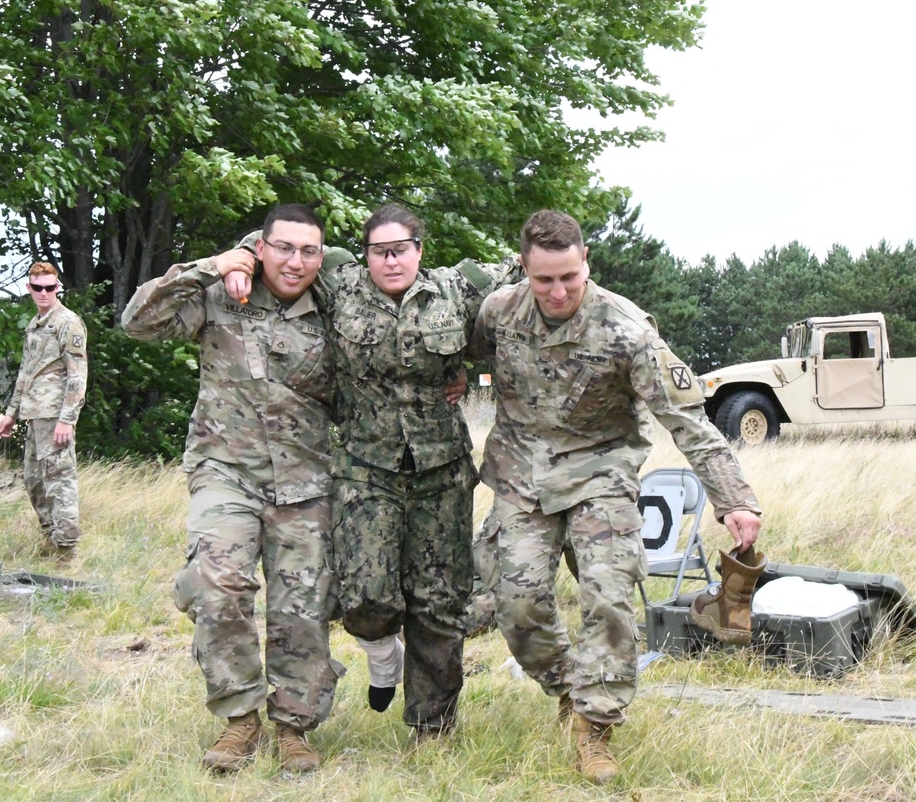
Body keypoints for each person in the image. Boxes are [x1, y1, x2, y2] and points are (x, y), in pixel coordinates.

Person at [467, 209, 763, 783]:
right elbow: (463, 356)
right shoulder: (498, 311)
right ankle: (570, 689)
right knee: (517, 604)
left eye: (569, 278)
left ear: (586, 264)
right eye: (543, 280)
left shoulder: (628, 330)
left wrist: (734, 500)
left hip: (600, 474)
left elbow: (689, 422)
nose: (557, 292)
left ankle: (596, 728)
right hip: (521, 476)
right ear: (523, 270)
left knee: (608, 599)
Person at [226, 202, 519, 736]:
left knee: (438, 603)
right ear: (364, 255)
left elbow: (526, 268)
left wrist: (478, 365)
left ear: (419, 251)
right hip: (365, 465)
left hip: (441, 471)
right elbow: (279, 243)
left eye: (400, 250)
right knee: (364, 593)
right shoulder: (338, 282)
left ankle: (432, 727)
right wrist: (243, 257)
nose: (389, 261)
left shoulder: (457, 288)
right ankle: (382, 651)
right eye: (379, 251)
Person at [121, 204, 343, 774]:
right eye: (283, 248)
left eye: (309, 251)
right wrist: (216, 264)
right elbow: (137, 322)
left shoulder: (336, 305)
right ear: (261, 248)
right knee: (216, 582)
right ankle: (240, 717)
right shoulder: (222, 292)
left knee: (303, 606)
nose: (296, 261)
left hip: (307, 478)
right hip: (227, 470)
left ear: (322, 255)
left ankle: (294, 726)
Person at [0, 261, 88, 559]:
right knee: (34, 480)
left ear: (57, 287)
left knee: (59, 481)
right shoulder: (36, 325)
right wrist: (11, 413)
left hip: (55, 416)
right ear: (29, 289)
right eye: (38, 288)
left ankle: (66, 551)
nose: (44, 293)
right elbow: (26, 372)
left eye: (50, 287)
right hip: (34, 413)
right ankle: (50, 539)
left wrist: (67, 419)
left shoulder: (67, 323)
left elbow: (77, 376)